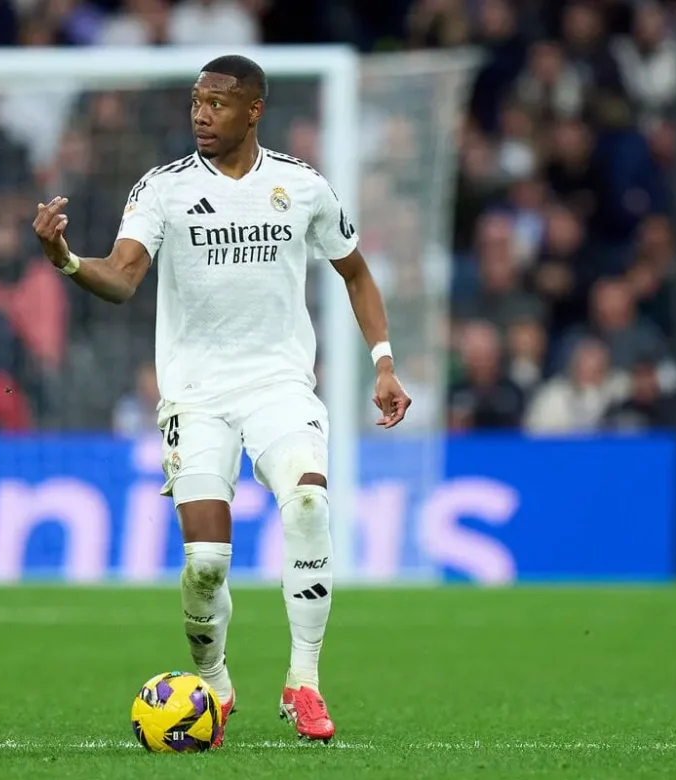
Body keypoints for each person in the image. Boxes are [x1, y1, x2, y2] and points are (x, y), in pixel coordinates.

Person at [32, 55, 410, 744]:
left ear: (254, 110)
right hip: (196, 397)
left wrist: (383, 364)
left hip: (280, 386)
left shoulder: (302, 186)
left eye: (217, 101)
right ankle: (218, 684)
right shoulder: (163, 190)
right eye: (195, 101)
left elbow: (357, 274)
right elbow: (120, 278)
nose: (201, 113)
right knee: (205, 565)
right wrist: (63, 258)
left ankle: (304, 682)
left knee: (307, 504)